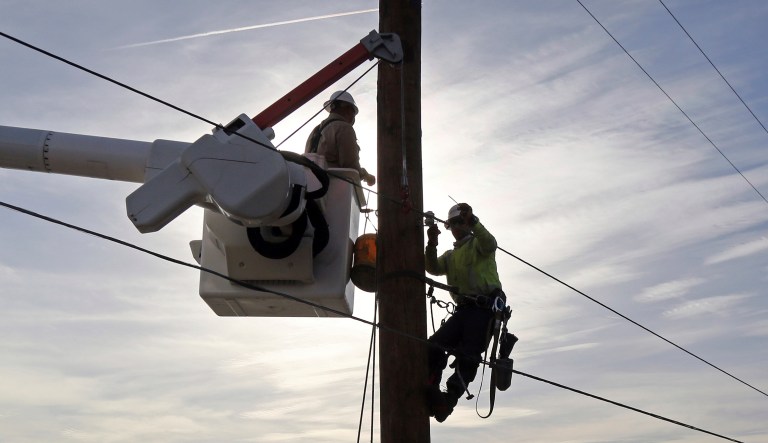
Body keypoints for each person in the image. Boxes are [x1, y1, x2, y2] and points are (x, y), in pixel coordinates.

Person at [424, 202, 504, 422]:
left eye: (461, 221)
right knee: (433, 346)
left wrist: (474, 222)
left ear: (467, 223)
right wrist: (431, 242)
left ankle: (448, 400)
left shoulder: (479, 244)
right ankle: (431, 388)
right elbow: (432, 267)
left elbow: (491, 243)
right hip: (463, 311)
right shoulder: (451, 256)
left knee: (468, 357)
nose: (458, 226)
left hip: (483, 310)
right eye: (454, 223)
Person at [305, 90, 376, 186]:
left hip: (310, 187)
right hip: (331, 188)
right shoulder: (344, 128)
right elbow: (350, 167)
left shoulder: (315, 131)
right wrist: (366, 176)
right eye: (353, 112)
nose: (353, 117)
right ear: (347, 109)